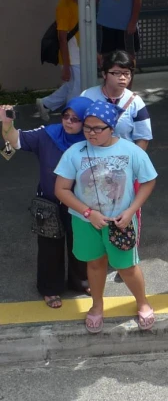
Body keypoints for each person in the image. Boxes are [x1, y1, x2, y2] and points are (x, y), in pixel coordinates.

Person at [54, 101, 157, 333]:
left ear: (111, 127)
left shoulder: (131, 151)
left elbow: (149, 181)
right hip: (85, 221)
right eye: (87, 127)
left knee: (127, 267)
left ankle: (143, 302)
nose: (91, 133)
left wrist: (131, 211)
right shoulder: (74, 153)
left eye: (98, 128)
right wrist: (88, 213)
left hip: (120, 222)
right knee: (95, 264)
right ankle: (97, 306)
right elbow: (61, 189)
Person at [1, 97, 93, 308]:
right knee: (49, 247)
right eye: (66, 116)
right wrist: (7, 124)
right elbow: (15, 142)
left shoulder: (93, 139)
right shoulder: (47, 133)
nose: (69, 122)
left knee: (80, 243)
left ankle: (81, 281)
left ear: (86, 122)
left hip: (80, 203)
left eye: (76, 119)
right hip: (49, 202)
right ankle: (50, 288)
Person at [36, 0, 82, 121]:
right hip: (71, 54)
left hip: (80, 52)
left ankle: (45, 104)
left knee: (71, 86)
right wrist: (66, 67)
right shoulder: (64, 5)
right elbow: (62, 38)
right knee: (76, 89)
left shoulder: (82, 0)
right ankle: (72, 120)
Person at [82, 50, 152, 151]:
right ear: (104, 74)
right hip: (91, 156)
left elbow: (143, 137)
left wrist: (134, 162)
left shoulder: (136, 102)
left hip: (123, 160)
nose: (123, 77)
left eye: (126, 73)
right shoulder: (87, 96)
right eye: (117, 73)